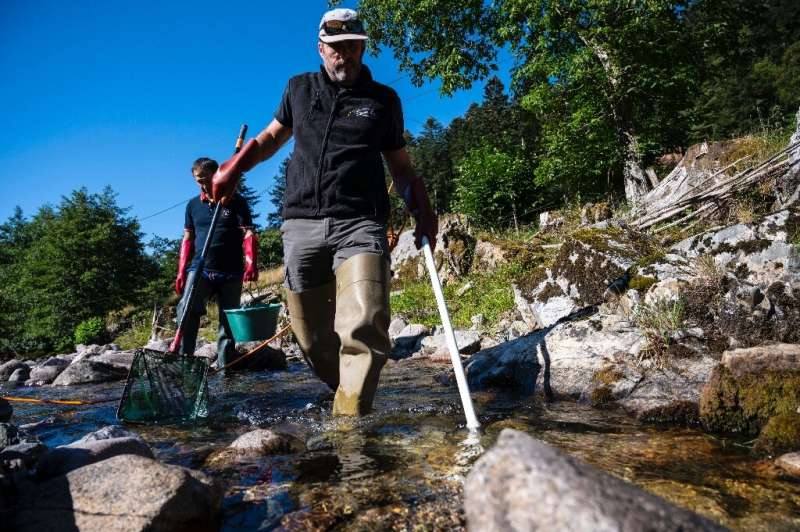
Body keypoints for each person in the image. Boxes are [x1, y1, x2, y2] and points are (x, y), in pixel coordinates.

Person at [209, 8, 438, 416]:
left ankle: (351, 434)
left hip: (360, 223)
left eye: (352, 47)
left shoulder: (383, 101)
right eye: (335, 48)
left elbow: (400, 168)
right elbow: (268, 139)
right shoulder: (298, 89)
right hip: (301, 226)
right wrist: (234, 167)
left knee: (364, 321)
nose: (344, 56)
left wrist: (421, 206)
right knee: (313, 341)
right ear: (321, 48)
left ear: (362, 48)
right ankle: (347, 394)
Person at [174, 157, 259, 369]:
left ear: (217, 175)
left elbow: (248, 233)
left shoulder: (236, 202)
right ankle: (186, 364)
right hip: (200, 268)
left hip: (231, 271)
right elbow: (187, 239)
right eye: (197, 180)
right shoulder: (193, 206)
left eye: (205, 178)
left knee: (227, 323)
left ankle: (225, 368)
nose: (202, 184)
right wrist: (181, 271)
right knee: (186, 310)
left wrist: (251, 262)